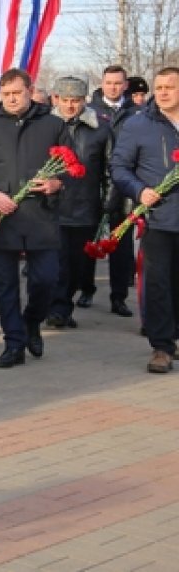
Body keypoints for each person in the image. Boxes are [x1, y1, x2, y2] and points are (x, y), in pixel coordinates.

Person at [0, 69, 68, 369]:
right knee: (6, 284)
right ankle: (13, 342)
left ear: (30, 90)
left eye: (17, 93)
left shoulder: (53, 125)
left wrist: (56, 183)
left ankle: (31, 322)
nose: (11, 99)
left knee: (45, 279)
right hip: (3, 217)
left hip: (41, 217)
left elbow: (71, 166)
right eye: (6, 94)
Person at [111, 68, 179, 373]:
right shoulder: (139, 124)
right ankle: (162, 346)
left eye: (170, 87)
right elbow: (119, 167)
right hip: (158, 218)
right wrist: (140, 191)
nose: (163, 92)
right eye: (159, 87)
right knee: (158, 283)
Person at [47, 77, 112, 329]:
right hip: (49, 206)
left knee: (77, 264)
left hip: (84, 205)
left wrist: (108, 203)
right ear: (56, 99)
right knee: (54, 262)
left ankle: (63, 306)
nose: (70, 106)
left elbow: (109, 170)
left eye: (76, 101)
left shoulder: (101, 129)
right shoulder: (45, 126)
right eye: (65, 101)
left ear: (85, 100)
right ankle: (55, 308)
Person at [87, 65, 139, 316]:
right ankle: (86, 289)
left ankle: (119, 297)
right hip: (94, 186)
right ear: (102, 82)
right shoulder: (90, 111)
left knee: (121, 246)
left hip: (126, 187)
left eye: (118, 83)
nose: (113, 87)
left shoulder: (138, 113)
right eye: (109, 82)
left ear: (125, 85)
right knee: (89, 240)